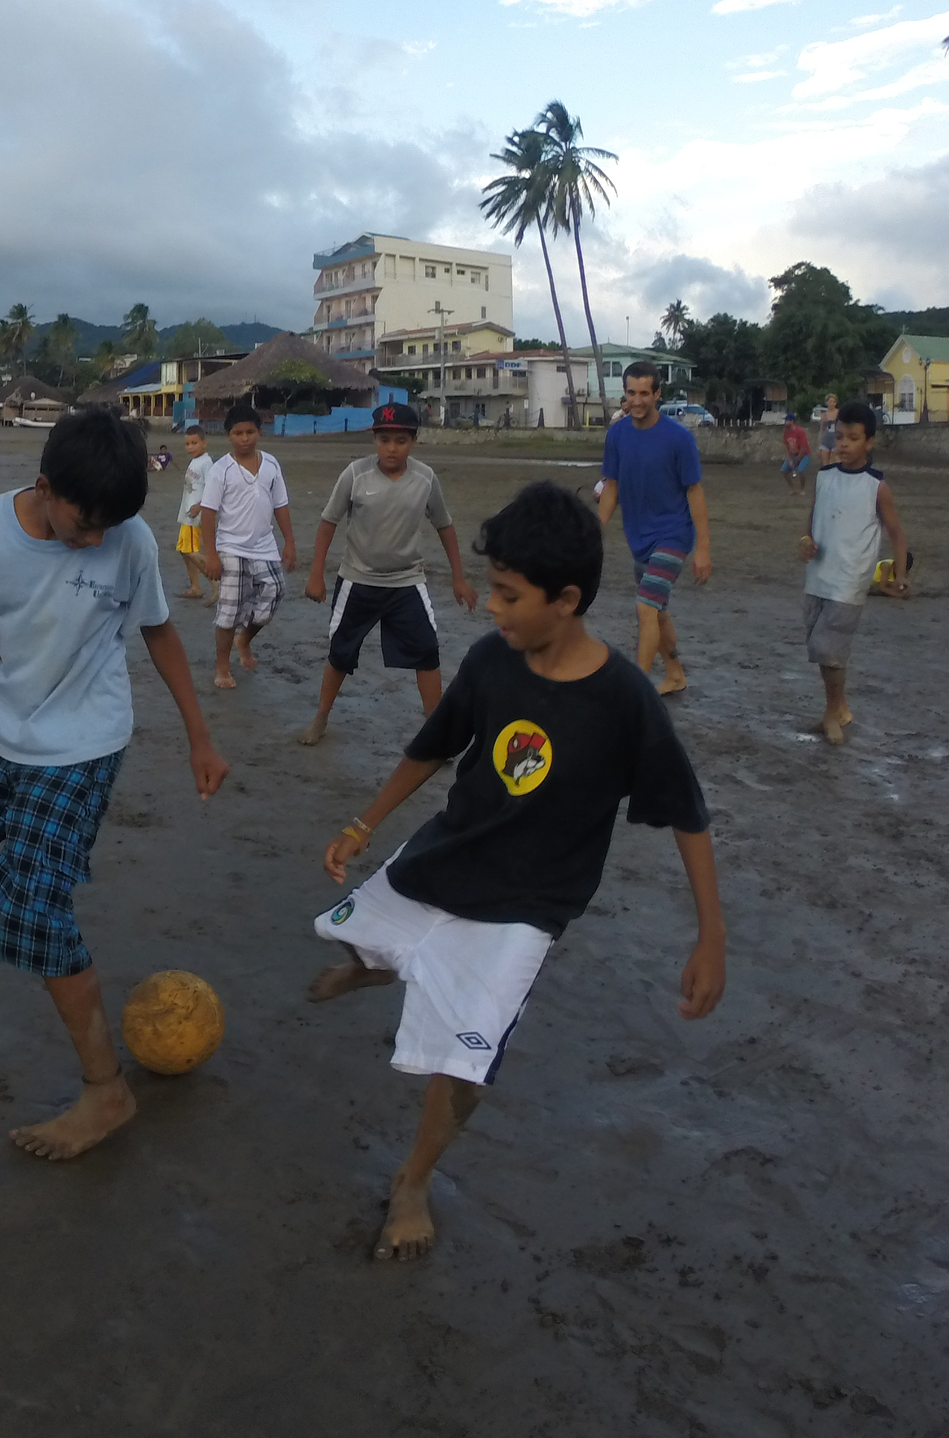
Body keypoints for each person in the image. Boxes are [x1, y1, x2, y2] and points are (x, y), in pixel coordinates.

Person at [308, 480, 726, 1261]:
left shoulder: (624, 700)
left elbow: (687, 812)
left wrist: (711, 936)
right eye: (493, 589)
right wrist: (363, 823)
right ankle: (380, 961)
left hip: (528, 905)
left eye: (508, 594)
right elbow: (433, 746)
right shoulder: (490, 661)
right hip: (447, 855)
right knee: (365, 932)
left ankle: (413, 1181)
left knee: (467, 1058)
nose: (493, 608)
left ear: (565, 600)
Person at [0, 409, 230, 1161]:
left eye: (108, 527)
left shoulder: (128, 539)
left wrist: (199, 736)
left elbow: (158, 631)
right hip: (8, 736)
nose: (95, 540)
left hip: (85, 747)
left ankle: (106, 1090)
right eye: (84, 524)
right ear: (45, 485)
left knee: (36, 905)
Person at [299, 402, 478, 745]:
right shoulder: (355, 474)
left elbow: (445, 526)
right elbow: (328, 523)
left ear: (413, 441)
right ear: (374, 440)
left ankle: (435, 733)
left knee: (427, 652)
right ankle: (321, 718)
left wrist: (459, 577)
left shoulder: (425, 479)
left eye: (400, 441)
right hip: (357, 580)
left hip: (406, 582)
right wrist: (316, 574)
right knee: (340, 653)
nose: (391, 448)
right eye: (384, 440)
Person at [799, 401, 911, 745]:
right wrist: (806, 541)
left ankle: (832, 714)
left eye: (853, 438)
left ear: (869, 442)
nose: (844, 444)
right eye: (840, 437)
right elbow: (814, 517)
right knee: (821, 648)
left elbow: (897, 533)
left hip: (849, 581)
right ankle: (840, 708)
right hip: (818, 576)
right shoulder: (824, 477)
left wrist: (901, 574)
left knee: (830, 650)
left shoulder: (876, 487)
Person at [597, 362, 711, 695]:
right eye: (631, 393)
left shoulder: (679, 438)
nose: (637, 401)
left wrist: (703, 549)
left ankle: (635, 692)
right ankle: (675, 674)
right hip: (639, 537)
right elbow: (611, 486)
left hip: (673, 534)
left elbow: (695, 492)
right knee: (657, 611)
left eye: (644, 393)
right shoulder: (617, 434)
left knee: (646, 606)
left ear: (658, 394)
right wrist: (593, 530)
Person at [196, 401, 295, 689]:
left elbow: (281, 505)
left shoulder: (271, 464)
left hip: (265, 546)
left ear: (259, 432)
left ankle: (245, 639)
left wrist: (289, 542)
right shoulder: (221, 470)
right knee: (229, 612)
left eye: (250, 432)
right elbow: (208, 514)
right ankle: (222, 666)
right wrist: (211, 555)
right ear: (229, 435)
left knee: (275, 592)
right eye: (238, 433)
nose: (244, 439)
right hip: (231, 548)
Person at [173, 420, 212, 602]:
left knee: (190, 550)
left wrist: (201, 505)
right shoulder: (195, 461)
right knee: (184, 550)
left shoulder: (206, 463)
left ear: (204, 443)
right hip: (187, 513)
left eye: (194, 443)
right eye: (188, 444)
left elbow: (212, 489)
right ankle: (195, 587)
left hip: (196, 515)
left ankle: (216, 582)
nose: (190, 447)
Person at [779, 413, 812, 497]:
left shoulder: (800, 431)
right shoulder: (787, 432)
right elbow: (786, 446)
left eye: (787, 420)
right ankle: (792, 488)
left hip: (804, 455)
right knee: (783, 470)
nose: (785, 422)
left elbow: (803, 447)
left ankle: (802, 489)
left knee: (801, 470)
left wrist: (797, 460)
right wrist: (790, 459)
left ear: (792, 421)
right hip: (793, 454)